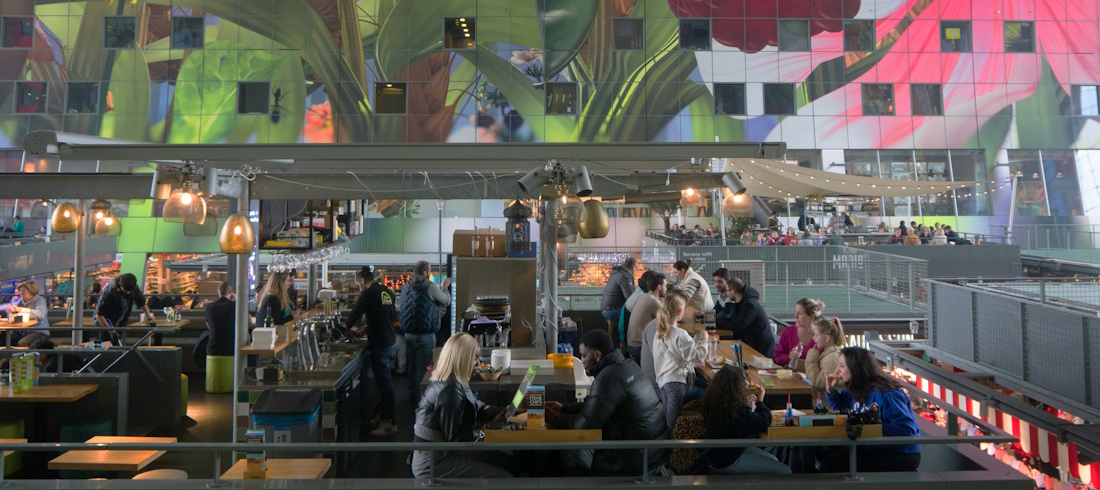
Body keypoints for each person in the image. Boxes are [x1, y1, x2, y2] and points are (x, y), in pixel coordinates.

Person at [547, 329, 668, 476]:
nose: (582, 360)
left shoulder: (608, 377)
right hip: (653, 453)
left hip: (637, 460)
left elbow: (586, 424)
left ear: (597, 355)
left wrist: (553, 418)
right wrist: (565, 409)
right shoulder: (627, 366)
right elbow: (598, 406)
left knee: (569, 451)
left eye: (584, 355)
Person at [411, 333, 511, 479]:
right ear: (463, 358)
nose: (478, 362)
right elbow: (456, 441)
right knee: (504, 476)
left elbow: (477, 407)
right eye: (475, 357)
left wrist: (504, 411)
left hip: (441, 453)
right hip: (433, 463)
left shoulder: (455, 379)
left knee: (504, 459)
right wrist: (487, 429)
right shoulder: (450, 389)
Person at [823, 347, 921, 472]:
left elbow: (906, 429)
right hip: (872, 445)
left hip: (900, 452)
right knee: (826, 452)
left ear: (855, 368)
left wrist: (870, 427)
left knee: (831, 465)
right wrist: (831, 392)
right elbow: (842, 408)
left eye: (842, 366)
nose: (837, 370)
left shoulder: (887, 393)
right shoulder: (856, 388)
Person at [703, 366, 790, 475]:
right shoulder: (735, 409)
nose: (747, 384)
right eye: (743, 380)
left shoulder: (718, 401)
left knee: (774, 459)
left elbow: (741, 421)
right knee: (785, 471)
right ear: (735, 386)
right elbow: (763, 422)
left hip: (718, 455)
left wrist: (747, 407)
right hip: (729, 459)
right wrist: (760, 402)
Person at [345, 266, 399, 437]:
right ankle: (383, 416)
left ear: (362, 281)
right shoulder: (387, 292)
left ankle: (391, 422)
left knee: (384, 386)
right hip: (390, 342)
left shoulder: (368, 293)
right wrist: (368, 328)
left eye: (358, 285)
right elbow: (388, 316)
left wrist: (347, 327)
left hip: (380, 345)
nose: (359, 288)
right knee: (386, 383)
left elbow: (355, 313)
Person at [652, 292, 709, 430]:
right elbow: (697, 356)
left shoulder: (659, 332)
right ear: (680, 311)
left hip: (663, 382)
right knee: (674, 423)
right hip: (677, 383)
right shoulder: (679, 334)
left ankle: (667, 447)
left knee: (669, 419)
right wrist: (705, 341)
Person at [401, 260, 451, 405]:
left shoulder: (406, 286)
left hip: (409, 335)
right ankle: (422, 401)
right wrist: (444, 287)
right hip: (425, 336)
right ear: (425, 273)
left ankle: (412, 395)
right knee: (424, 369)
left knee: (412, 366)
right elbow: (446, 301)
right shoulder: (429, 287)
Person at [722, 277, 776, 358]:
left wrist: (714, 322)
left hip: (761, 350)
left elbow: (737, 326)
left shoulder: (750, 305)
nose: (726, 294)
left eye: (727, 291)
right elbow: (732, 321)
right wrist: (712, 320)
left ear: (733, 291)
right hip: (752, 346)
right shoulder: (741, 303)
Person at [95, 273, 154, 344]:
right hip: (106, 323)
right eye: (125, 290)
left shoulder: (133, 288)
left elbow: (142, 303)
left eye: (130, 291)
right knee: (107, 346)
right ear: (120, 284)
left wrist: (150, 318)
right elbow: (99, 315)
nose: (128, 293)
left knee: (117, 346)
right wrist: (112, 331)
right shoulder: (109, 293)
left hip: (120, 322)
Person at [804, 316, 846, 398]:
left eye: (816, 335)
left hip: (827, 404)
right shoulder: (828, 354)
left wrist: (811, 358)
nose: (813, 338)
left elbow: (818, 382)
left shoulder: (833, 358)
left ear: (827, 338)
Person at [774, 298, 822, 368]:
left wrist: (806, 364)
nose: (795, 316)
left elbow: (823, 366)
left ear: (811, 317)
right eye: (795, 312)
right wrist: (789, 356)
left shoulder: (821, 337)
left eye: (800, 314)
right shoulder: (787, 332)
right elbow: (777, 358)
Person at [627, 272, 665, 362]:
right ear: (659, 287)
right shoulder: (653, 302)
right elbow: (668, 321)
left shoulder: (644, 297)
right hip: (639, 347)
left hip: (632, 344)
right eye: (665, 286)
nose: (666, 288)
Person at [600, 257, 636, 346]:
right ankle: (627, 344)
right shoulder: (625, 276)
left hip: (607, 309)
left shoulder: (618, 273)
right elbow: (630, 297)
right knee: (635, 315)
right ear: (633, 268)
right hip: (612, 311)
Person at [5, 279, 49, 348]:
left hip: (39, 331)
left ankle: (24, 357)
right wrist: (11, 313)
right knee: (4, 339)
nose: (21, 293)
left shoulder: (40, 300)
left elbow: (40, 314)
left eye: (24, 291)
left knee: (22, 343)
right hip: (23, 331)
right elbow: (15, 317)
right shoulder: (20, 302)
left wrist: (21, 310)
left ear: (31, 291)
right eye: (20, 291)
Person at [203, 281, 236, 358]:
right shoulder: (235, 306)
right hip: (231, 348)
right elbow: (248, 320)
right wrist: (236, 300)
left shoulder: (208, 307)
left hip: (213, 348)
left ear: (218, 291)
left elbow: (210, 327)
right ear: (231, 292)